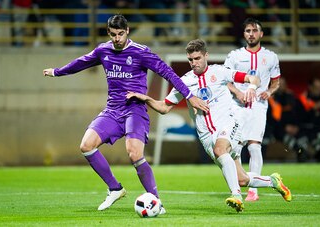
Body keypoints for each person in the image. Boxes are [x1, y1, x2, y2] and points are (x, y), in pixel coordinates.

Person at [43, 14, 209, 213]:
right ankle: (115, 188)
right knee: (86, 146)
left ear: (127, 31)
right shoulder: (103, 50)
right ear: (108, 33)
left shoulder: (140, 52)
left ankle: (156, 201)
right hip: (112, 110)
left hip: (135, 110)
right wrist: (58, 71)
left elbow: (168, 73)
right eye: (113, 34)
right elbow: (81, 62)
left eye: (121, 34)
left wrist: (189, 95)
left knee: (134, 153)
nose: (117, 38)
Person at [127, 39, 292, 213]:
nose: (194, 63)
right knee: (242, 179)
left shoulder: (220, 72)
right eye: (190, 59)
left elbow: (254, 77)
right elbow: (164, 107)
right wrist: (145, 98)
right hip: (206, 136)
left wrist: (251, 87)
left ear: (206, 55)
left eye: (197, 58)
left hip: (229, 124)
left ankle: (236, 196)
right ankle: (272, 181)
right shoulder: (184, 82)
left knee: (221, 150)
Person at [224, 17, 281, 202]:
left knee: (255, 146)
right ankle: (239, 185)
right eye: (248, 31)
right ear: (244, 34)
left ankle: (253, 191)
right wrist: (237, 93)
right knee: (235, 148)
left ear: (261, 34)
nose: (251, 34)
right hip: (237, 106)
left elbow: (276, 82)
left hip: (258, 107)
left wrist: (269, 92)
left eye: (254, 30)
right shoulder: (234, 55)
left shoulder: (271, 57)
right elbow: (227, 80)